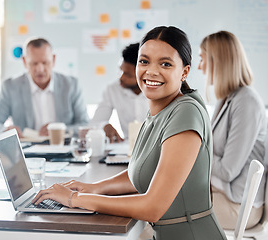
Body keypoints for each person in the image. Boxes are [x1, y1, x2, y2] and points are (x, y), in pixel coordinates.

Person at [32, 26, 226, 240]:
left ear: (185, 72)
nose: (151, 71)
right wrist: (93, 188)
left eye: (165, 64)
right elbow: (142, 172)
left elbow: (152, 207)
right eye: (144, 61)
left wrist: (74, 198)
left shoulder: (185, 112)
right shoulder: (160, 109)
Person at [198, 30, 267, 230]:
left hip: (239, 206)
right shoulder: (227, 99)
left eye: (203, 59)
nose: (200, 67)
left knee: (160, 214)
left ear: (217, 61)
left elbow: (228, 170)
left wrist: (197, 151)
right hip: (221, 193)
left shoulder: (247, 102)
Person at [0, 38, 89, 137]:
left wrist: (60, 129)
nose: (40, 69)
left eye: (45, 62)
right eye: (34, 63)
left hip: (64, 151)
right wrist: (4, 130)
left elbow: (85, 124)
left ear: (53, 60)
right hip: (27, 153)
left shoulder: (70, 85)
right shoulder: (11, 87)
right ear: (24, 61)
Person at [89, 43, 149, 143]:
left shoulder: (161, 90)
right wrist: (104, 126)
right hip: (127, 149)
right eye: (121, 71)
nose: (121, 78)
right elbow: (94, 123)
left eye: (128, 75)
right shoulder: (113, 89)